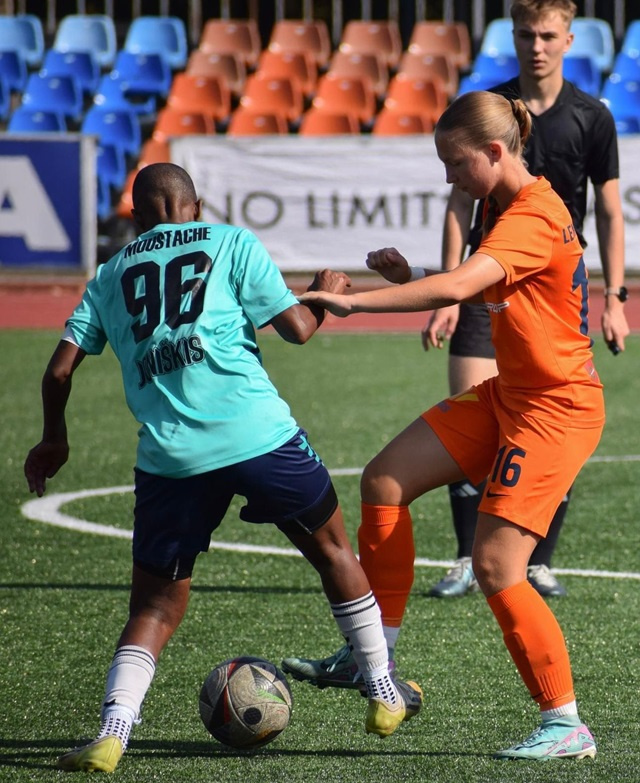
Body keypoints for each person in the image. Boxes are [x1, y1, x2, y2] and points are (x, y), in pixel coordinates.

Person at [23, 163, 422, 774]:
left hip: (170, 459)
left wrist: (54, 439)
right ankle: (384, 693)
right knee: (335, 553)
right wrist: (322, 291)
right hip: (259, 436)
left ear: (135, 218)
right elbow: (296, 330)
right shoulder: (230, 241)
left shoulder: (109, 274)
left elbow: (57, 371)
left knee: (154, 609)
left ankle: (112, 733)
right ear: (196, 205)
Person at [286, 90, 602, 760]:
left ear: (494, 152)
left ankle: (565, 721)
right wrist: (414, 277)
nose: (448, 178)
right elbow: (479, 281)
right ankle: (374, 659)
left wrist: (362, 303)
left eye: (455, 164)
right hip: (509, 394)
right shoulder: (508, 204)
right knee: (385, 480)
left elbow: (463, 289)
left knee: (495, 563)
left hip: (554, 409)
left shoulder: (536, 213)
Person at [424, 0, 629, 599]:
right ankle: (466, 557)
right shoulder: (492, 111)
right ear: (512, 38)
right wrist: (448, 290)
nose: (536, 45)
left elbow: (611, 211)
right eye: (524, 34)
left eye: (547, 34)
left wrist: (615, 297)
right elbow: (459, 205)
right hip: (484, 283)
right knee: (467, 414)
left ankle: (537, 558)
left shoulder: (593, 116)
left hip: (549, 294)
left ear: (568, 39)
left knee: (545, 423)